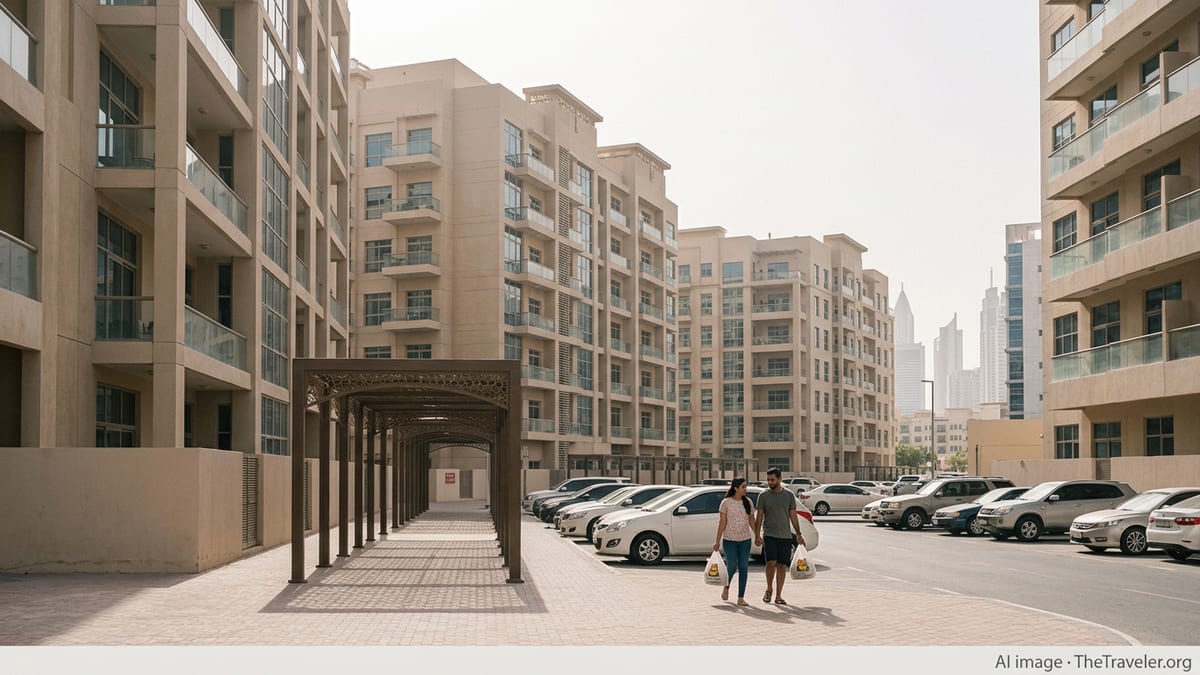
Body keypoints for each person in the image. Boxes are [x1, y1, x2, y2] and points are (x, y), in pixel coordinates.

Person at [753, 467, 805, 605]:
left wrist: (799, 534)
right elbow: (759, 517)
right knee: (771, 563)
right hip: (770, 535)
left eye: (772, 480)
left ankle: (778, 595)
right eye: (768, 480)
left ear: (779, 479)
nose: (770, 482)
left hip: (785, 536)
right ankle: (769, 589)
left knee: (782, 565)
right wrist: (757, 535)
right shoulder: (763, 496)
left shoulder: (789, 495)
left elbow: (793, 515)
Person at [713, 477, 755, 606]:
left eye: (745, 486)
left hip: (745, 540)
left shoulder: (748, 502)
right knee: (731, 567)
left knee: (743, 567)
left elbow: (752, 520)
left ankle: (740, 597)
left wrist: (758, 535)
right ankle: (726, 587)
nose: (745, 489)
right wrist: (717, 541)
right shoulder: (726, 503)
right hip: (729, 540)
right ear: (736, 488)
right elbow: (722, 522)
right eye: (743, 487)